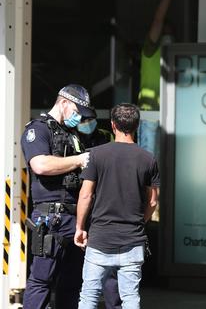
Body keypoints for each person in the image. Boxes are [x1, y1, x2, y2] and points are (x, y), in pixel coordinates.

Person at [75, 103, 160, 309]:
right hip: (132, 240)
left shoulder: (96, 155)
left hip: (100, 238)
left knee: (89, 296)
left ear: (112, 125)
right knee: (130, 298)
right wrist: (141, 222)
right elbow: (152, 201)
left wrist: (79, 227)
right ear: (137, 126)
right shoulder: (148, 159)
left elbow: (86, 195)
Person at [20, 84, 93, 309]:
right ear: (64, 103)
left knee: (72, 283)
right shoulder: (38, 130)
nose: (79, 118)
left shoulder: (72, 134)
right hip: (51, 218)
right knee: (42, 280)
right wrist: (80, 160)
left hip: (75, 219)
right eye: (77, 112)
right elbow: (40, 164)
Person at [137, 0, 186, 159]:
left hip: (171, 116)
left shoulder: (177, 59)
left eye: (169, 33)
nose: (166, 36)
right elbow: (158, 18)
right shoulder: (151, 51)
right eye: (163, 33)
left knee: (167, 167)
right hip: (150, 115)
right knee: (150, 165)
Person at [77, 114, 121, 309]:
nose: (87, 125)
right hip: (80, 204)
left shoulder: (104, 137)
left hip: (101, 206)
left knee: (109, 270)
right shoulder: (73, 137)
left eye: (90, 120)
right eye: (83, 121)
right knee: (79, 268)